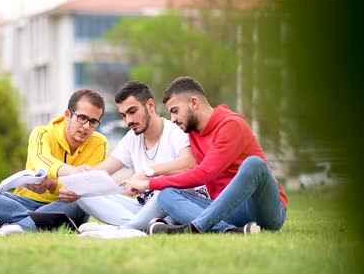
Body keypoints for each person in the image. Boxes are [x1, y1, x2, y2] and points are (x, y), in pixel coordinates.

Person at [122, 76, 287, 234]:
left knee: (254, 164)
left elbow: (204, 174)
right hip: (228, 211)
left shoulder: (231, 125)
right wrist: (151, 181)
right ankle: (229, 231)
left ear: (194, 103)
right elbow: (189, 169)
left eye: (175, 111)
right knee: (166, 194)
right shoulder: (193, 133)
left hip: (265, 211)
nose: (172, 119)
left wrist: (149, 183)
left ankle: (195, 228)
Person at [58, 81, 198, 231]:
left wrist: (147, 173)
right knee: (83, 195)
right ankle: (142, 228)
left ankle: (125, 229)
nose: (128, 120)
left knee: (165, 192)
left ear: (150, 105)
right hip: (144, 211)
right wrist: (74, 186)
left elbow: (189, 162)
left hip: (173, 206)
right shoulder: (132, 137)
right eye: (124, 115)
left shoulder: (174, 130)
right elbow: (103, 170)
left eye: (132, 111)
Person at [0, 88, 108, 231]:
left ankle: (7, 227)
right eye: (82, 118)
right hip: (27, 203)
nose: (86, 126)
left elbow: (88, 187)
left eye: (93, 121)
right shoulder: (42, 133)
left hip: (67, 205)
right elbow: (42, 161)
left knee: (81, 200)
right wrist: (75, 172)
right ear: (67, 115)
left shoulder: (99, 142)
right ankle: (55, 225)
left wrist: (52, 185)